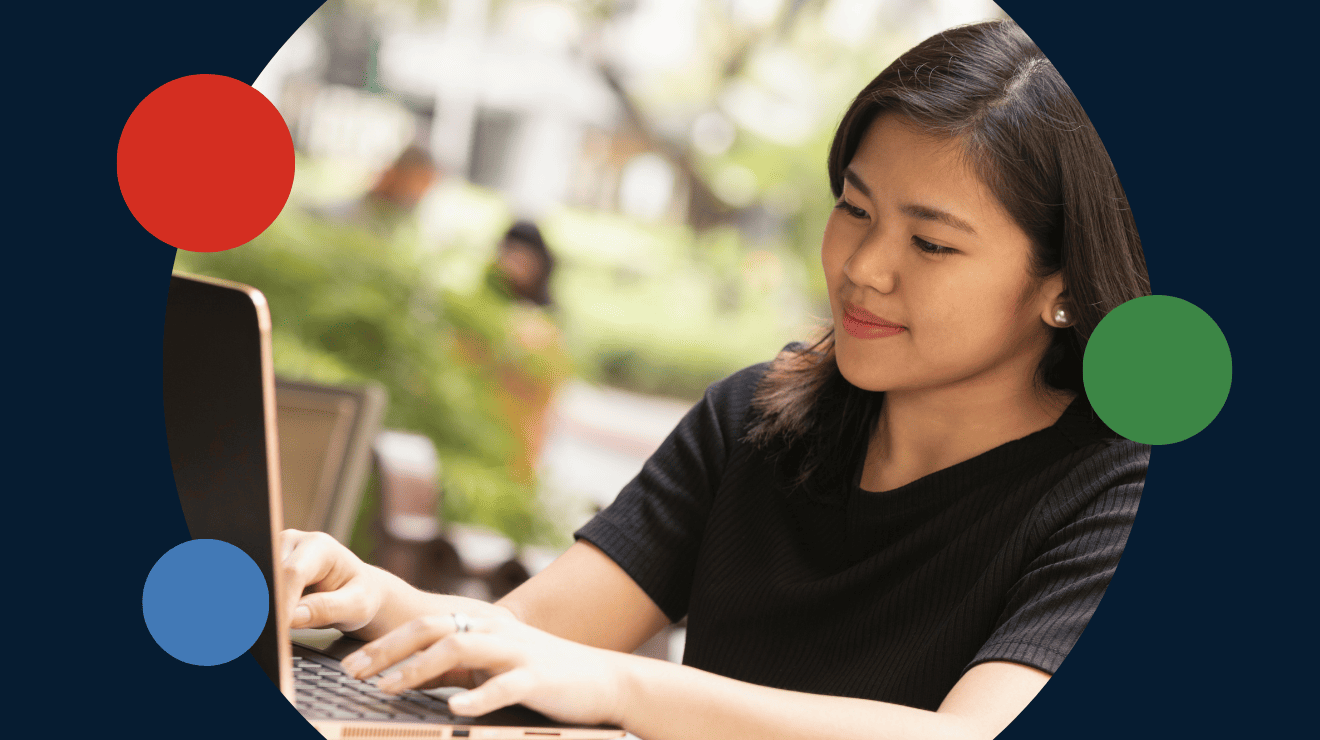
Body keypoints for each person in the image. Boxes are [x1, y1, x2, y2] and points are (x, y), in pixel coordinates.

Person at [280, 19, 1150, 740]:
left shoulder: (1111, 490)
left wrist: (628, 691)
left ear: (1063, 285)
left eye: (930, 243)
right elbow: (531, 640)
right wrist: (364, 595)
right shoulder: (758, 418)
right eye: (855, 208)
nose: (863, 268)